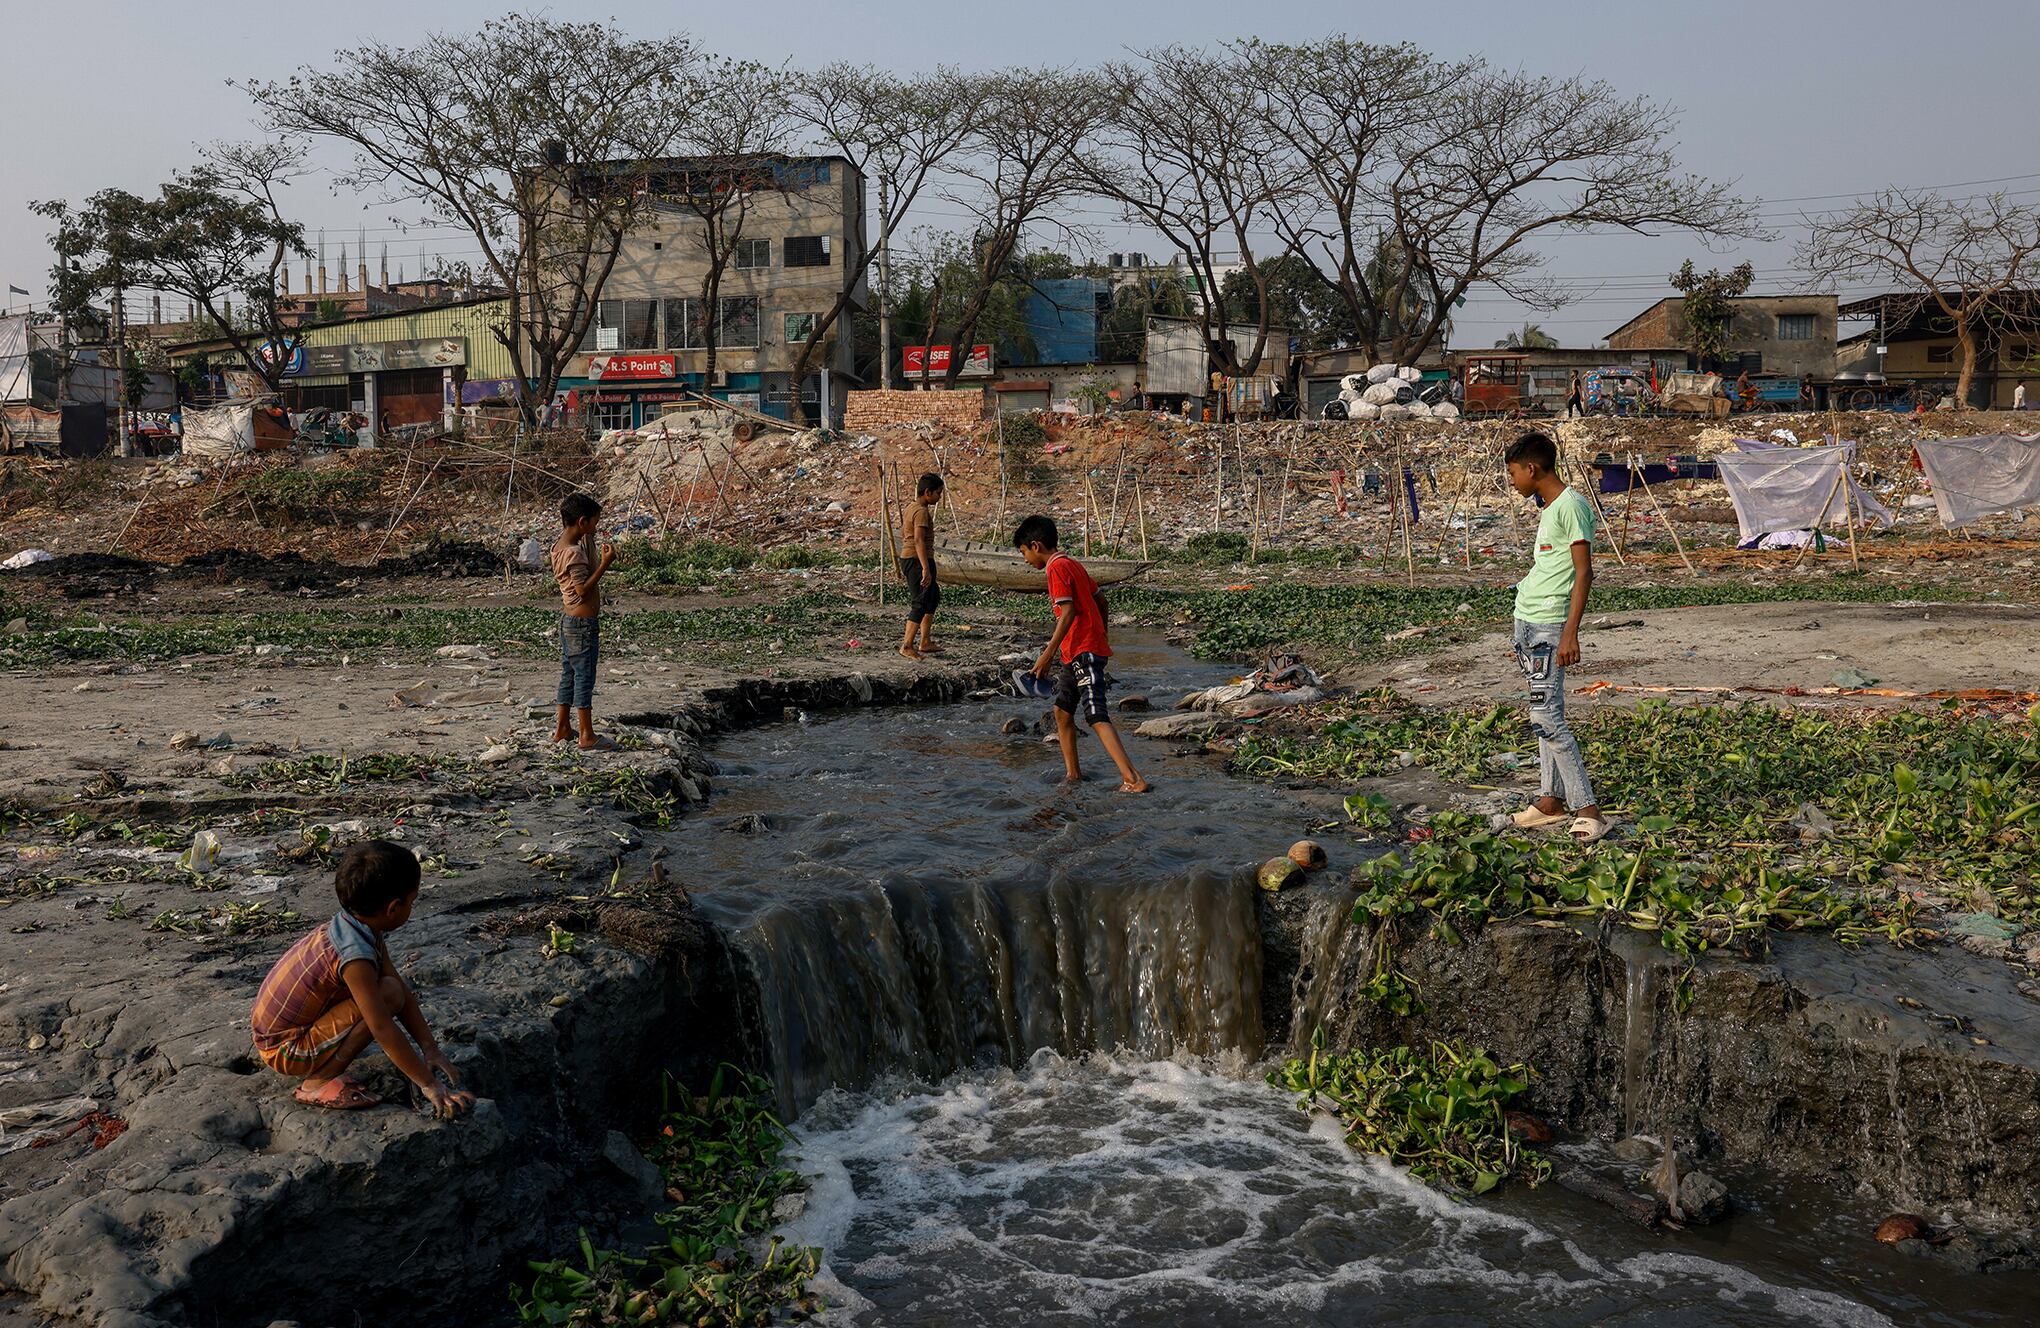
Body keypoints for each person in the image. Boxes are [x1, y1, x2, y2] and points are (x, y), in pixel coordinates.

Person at [250, 841, 475, 1117]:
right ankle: (317, 1083)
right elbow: (380, 1025)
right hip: (285, 1049)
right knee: (387, 995)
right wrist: (429, 1085)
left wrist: (430, 1048)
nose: (411, 908)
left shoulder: (356, 926)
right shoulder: (355, 957)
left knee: (391, 990)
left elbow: (398, 986)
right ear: (393, 908)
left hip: (281, 1033)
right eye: (412, 902)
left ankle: (322, 1064)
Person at [1502, 432, 1607, 844]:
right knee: (1543, 714)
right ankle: (1550, 801)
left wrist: (1570, 633)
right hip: (1527, 623)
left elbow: (1584, 573)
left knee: (1547, 718)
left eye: (1513, 473)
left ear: (1532, 469)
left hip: (1550, 628)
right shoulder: (1549, 509)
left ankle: (1589, 809)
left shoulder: (1573, 507)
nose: (1511, 481)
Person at [1013, 515, 1148, 794]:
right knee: (1062, 712)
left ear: (1035, 546)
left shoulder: (1056, 569)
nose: (1025, 560)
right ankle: (1073, 775)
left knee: (1096, 715)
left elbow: (1068, 612)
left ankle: (1133, 780)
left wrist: (1046, 654)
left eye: (1024, 552)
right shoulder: (1073, 564)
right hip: (1077, 651)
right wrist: (1102, 634)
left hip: (1082, 651)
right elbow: (1101, 600)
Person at [551, 492, 615, 750]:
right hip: (582, 626)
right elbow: (582, 590)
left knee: (569, 675)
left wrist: (589, 537)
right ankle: (586, 735)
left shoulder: (561, 546)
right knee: (584, 677)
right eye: (594, 522)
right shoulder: (575, 554)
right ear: (582, 521)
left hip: (569, 623)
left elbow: (584, 541)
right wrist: (605, 564)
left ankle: (562, 728)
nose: (597, 527)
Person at [897, 472, 943, 659]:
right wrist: (925, 567)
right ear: (927, 492)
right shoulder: (921, 512)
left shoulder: (912, 507)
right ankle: (907, 645)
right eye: (938, 493)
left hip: (914, 559)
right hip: (916, 560)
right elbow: (918, 540)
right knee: (921, 601)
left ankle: (925, 641)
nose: (939, 497)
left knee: (932, 597)